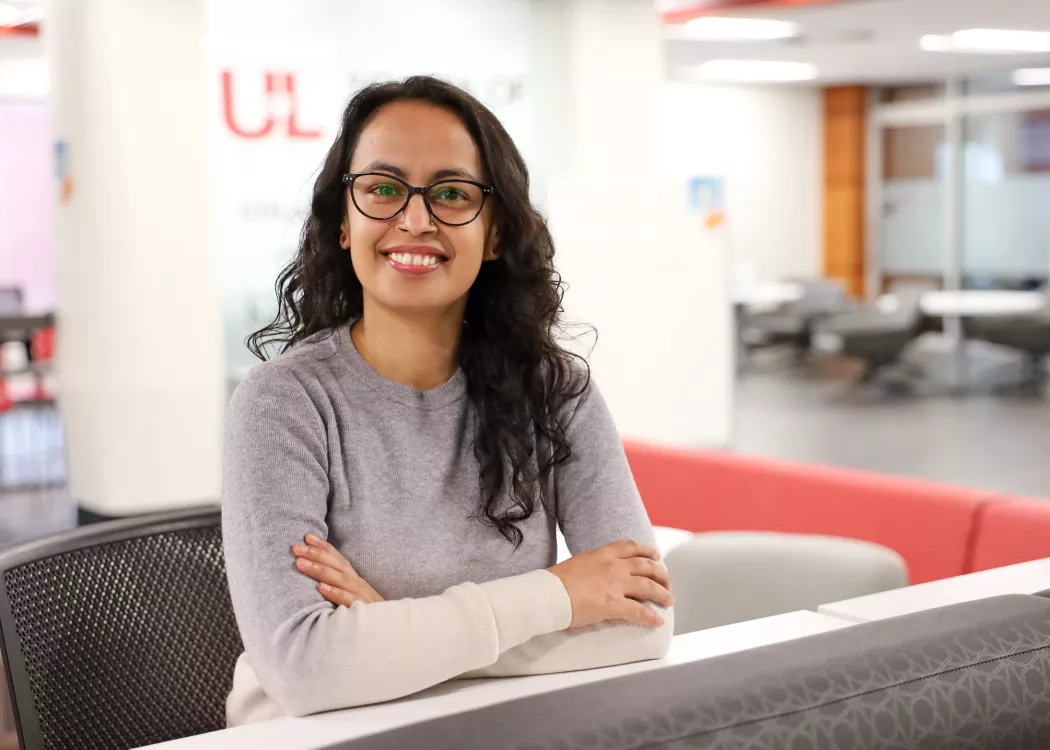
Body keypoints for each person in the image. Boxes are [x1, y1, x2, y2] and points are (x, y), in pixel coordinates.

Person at [222, 76, 674, 725]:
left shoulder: (555, 393)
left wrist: (387, 629)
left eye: (452, 193)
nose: (414, 219)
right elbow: (305, 669)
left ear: (494, 235)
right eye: (381, 189)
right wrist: (558, 596)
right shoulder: (283, 403)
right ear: (343, 224)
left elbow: (646, 623)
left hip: (497, 732)